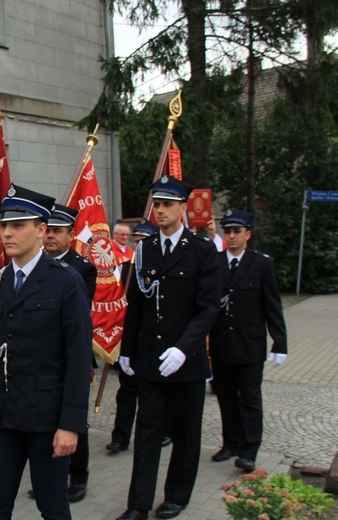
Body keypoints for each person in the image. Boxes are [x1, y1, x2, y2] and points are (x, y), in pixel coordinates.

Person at [0, 184, 92, 520]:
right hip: (1, 416)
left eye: (18, 225)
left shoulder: (65, 282)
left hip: (46, 419)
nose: (7, 232)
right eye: (5, 225)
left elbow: (79, 358)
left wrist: (71, 424)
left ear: (41, 230)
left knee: (52, 507)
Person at [116, 176, 220, 520]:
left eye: (167, 205)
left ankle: (177, 495)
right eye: (156, 205)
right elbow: (137, 304)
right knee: (146, 433)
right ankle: (138, 504)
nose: (159, 211)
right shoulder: (145, 249)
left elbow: (208, 309)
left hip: (185, 362)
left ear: (181, 208)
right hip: (150, 359)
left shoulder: (203, 250)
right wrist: (127, 350)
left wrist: (183, 349)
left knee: (187, 434)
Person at [209, 209, 287, 473]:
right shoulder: (214, 260)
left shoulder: (261, 263)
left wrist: (280, 342)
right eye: (227, 231)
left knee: (250, 399)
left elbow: (272, 305)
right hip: (221, 343)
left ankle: (249, 450)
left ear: (247, 235)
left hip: (250, 345)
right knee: (226, 397)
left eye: (236, 232)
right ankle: (230, 443)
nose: (230, 236)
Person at [42, 203, 97, 503]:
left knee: (75, 420)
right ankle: (50, 477)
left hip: (71, 355)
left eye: (57, 232)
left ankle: (79, 476)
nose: (50, 236)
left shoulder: (83, 268)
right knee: (46, 420)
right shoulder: (35, 262)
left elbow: (78, 311)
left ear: (71, 235)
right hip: (42, 357)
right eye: (48, 230)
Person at [106, 218, 159, 455]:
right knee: (126, 392)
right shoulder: (126, 269)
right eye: (136, 242)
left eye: (143, 242)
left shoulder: (162, 269)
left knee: (154, 396)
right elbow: (114, 303)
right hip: (131, 342)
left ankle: (158, 435)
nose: (138, 247)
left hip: (156, 343)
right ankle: (120, 437)